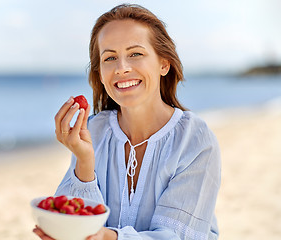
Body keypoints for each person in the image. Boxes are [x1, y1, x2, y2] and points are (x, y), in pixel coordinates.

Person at [33, 3, 221, 240]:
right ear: (100, 73)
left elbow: (175, 236)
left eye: (135, 54)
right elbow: (74, 225)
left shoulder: (194, 139)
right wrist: (84, 160)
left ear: (164, 63)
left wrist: (107, 237)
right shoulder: (93, 131)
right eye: (110, 58)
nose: (121, 68)